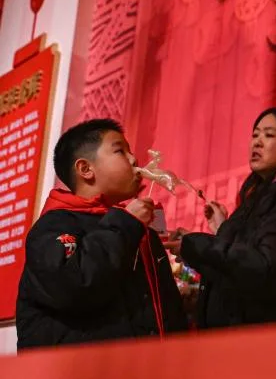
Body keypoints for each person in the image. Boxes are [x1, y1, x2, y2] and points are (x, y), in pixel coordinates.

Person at [16, 119, 187, 350]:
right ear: (85, 169)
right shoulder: (54, 226)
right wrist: (126, 223)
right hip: (85, 371)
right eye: (120, 151)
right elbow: (74, 286)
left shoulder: (135, 228)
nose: (134, 160)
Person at [166, 107, 276, 329]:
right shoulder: (260, 195)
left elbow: (267, 268)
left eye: (269, 135)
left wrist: (197, 245)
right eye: (255, 135)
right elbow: (243, 262)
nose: (257, 143)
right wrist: (222, 229)